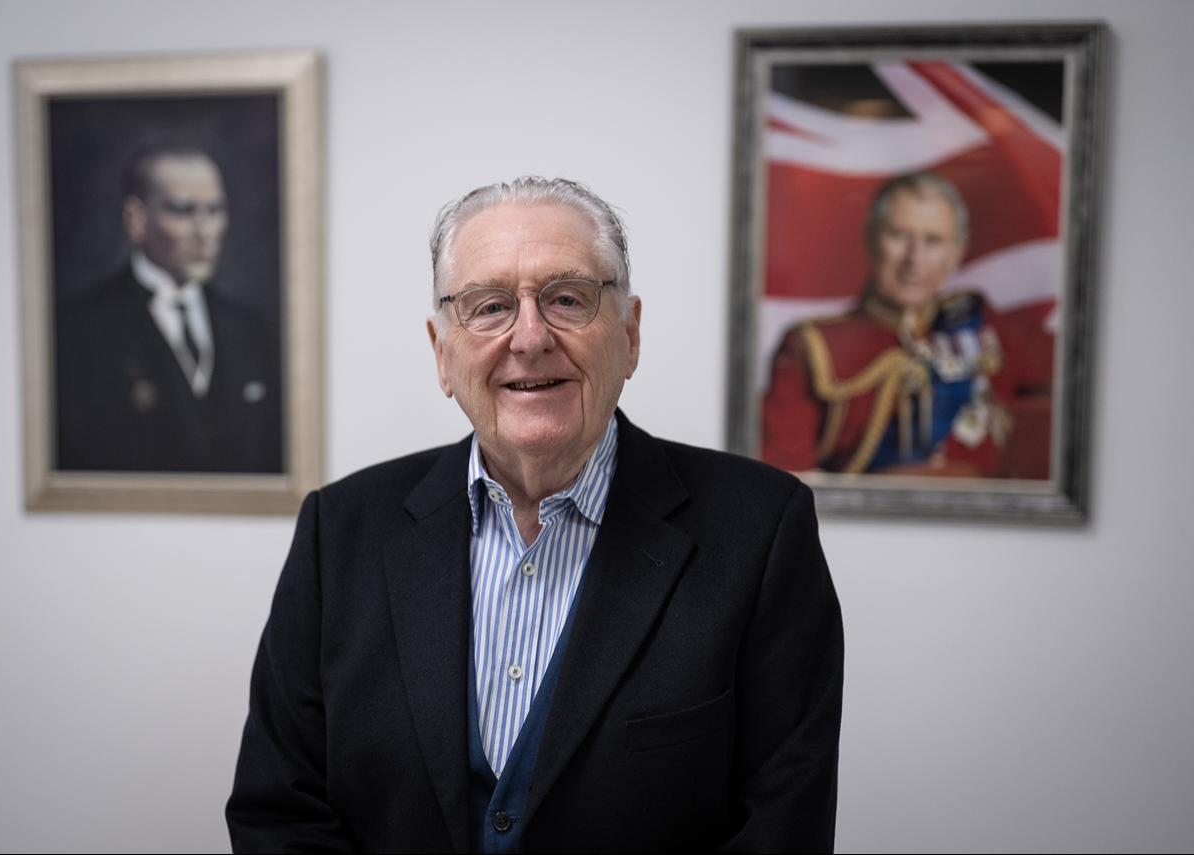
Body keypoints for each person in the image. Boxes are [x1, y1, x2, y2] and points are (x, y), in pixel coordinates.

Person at [227, 177, 843, 853]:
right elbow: (278, 811)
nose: (529, 337)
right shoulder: (338, 532)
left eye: (568, 299)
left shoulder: (761, 532)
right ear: (441, 351)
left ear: (630, 334)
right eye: (489, 307)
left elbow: (781, 827)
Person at [761, 172, 1053, 477]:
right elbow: (781, 482)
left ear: (954, 254)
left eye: (933, 240)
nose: (914, 259)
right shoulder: (812, 347)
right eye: (900, 236)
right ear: (871, 239)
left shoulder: (988, 331)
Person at [54, 142, 281, 473]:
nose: (204, 232)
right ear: (137, 219)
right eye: (183, 211)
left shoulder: (252, 330)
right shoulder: (78, 331)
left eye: (215, 210)